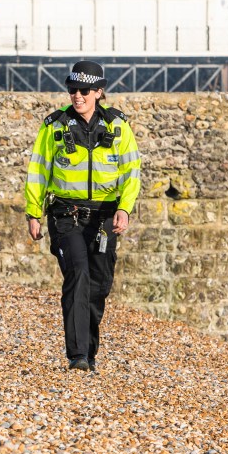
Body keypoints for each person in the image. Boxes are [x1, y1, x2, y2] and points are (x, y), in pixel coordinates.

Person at [24, 60, 141, 372]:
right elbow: (38, 171)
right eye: (72, 89)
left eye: (84, 90)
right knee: (78, 274)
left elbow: (132, 173)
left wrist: (124, 210)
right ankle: (78, 356)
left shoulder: (118, 127)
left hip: (105, 218)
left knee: (99, 285)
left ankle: (89, 353)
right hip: (66, 216)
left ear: (99, 92)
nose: (77, 95)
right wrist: (33, 213)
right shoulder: (54, 126)